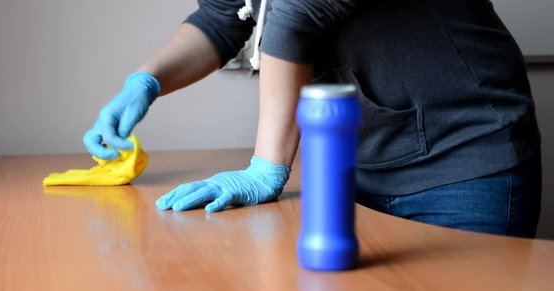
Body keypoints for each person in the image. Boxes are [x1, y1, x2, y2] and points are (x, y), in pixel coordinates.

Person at [83, 0, 542, 238]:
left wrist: (266, 167)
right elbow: (224, 16)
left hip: (462, 158)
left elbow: (296, 13)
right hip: (361, 166)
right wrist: (145, 81)